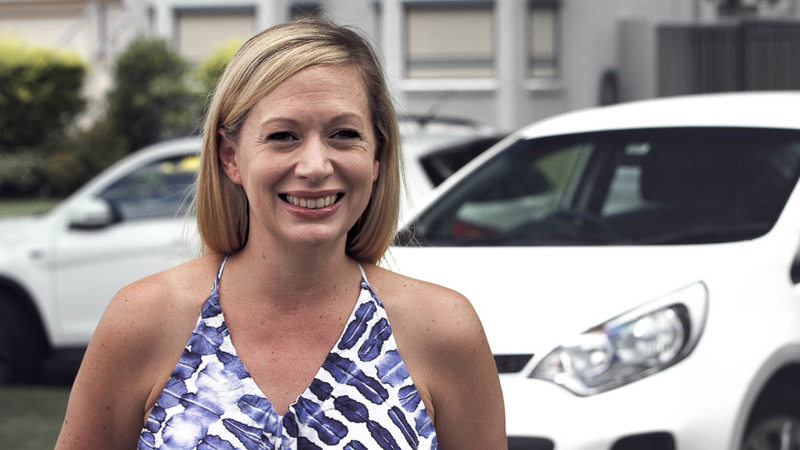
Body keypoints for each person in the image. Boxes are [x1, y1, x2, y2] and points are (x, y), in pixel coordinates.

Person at [56, 18, 505, 449]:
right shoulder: (144, 319)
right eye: (283, 136)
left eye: (344, 134)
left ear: (376, 159)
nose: (314, 166)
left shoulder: (443, 329)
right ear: (231, 157)